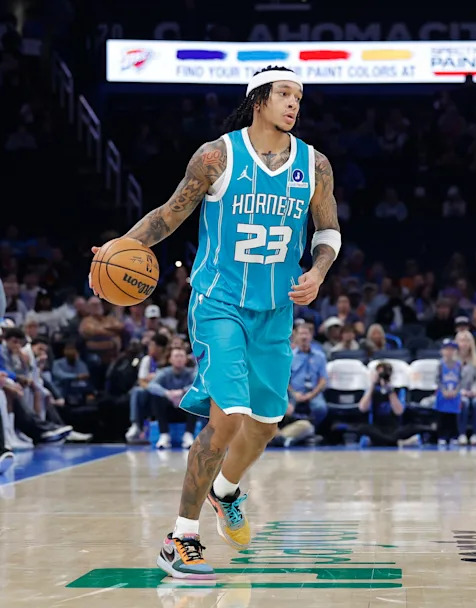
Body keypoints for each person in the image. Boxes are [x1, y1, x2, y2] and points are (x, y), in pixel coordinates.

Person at [89, 66, 341, 580]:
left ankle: (225, 490)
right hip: (218, 301)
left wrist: (316, 270)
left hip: (275, 309)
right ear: (258, 100)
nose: (294, 104)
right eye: (285, 95)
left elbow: (328, 228)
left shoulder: (314, 165)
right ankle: (181, 537)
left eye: (299, 96)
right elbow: (169, 213)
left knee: (266, 425)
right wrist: (122, 249)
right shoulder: (217, 156)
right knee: (226, 418)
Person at [147, 347, 200, 450]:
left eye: (181, 356)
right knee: (156, 397)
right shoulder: (164, 372)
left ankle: (188, 435)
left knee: (194, 397)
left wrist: (182, 392)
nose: (179, 359)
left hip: (185, 411)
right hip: (168, 410)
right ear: (170, 359)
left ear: (186, 359)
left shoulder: (191, 372)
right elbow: (151, 386)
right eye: (176, 356)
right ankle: (164, 435)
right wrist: (167, 393)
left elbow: (198, 385)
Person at [288, 324, 329, 430]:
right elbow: (284, 380)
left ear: (311, 336)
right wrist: (294, 394)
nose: (304, 337)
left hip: (313, 392)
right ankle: (294, 431)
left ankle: (312, 430)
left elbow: (323, 380)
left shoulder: (320, 356)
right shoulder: (289, 356)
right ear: (295, 336)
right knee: (285, 409)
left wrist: (311, 394)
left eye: (306, 333)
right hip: (294, 393)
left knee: (321, 408)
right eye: (301, 334)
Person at [435, 339, 462, 447]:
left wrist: (456, 390)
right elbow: (437, 379)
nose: (449, 352)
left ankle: (453, 436)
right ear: (442, 351)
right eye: (447, 349)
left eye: (452, 349)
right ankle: (442, 436)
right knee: (442, 417)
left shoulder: (458, 365)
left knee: (453, 417)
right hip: (443, 394)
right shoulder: (440, 365)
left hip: (455, 394)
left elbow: (461, 379)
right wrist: (444, 390)